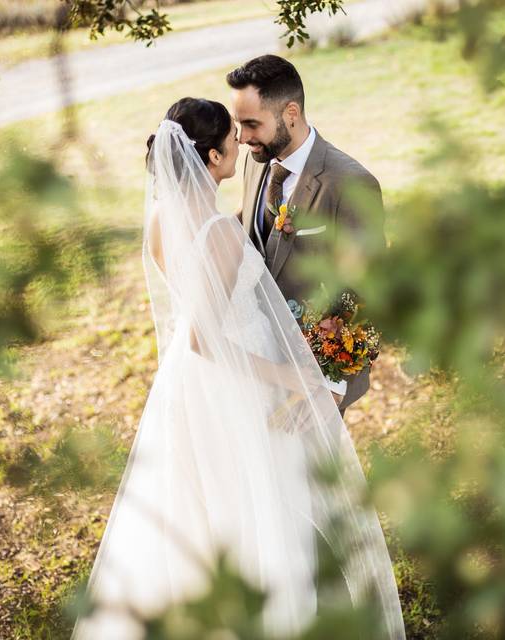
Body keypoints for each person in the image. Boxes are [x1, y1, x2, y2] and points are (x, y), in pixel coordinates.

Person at [71, 97, 404, 640]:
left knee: (209, 518)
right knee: (264, 514)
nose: (241, 146)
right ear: (208, 158)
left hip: (190, 387)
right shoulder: (219, 234)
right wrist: (291, 376)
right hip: (239, 384)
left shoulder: (162, 220)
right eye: (231, 137)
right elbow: (207, 336)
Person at [229, 54, 386, 415]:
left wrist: (334, 384)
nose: (243, 138)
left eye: (252, 124)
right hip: (263, 366)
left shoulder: (349, 183)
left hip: (317, 376)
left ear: (291, 113)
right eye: (239, 124)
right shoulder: (258, 164)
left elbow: (369, 287)